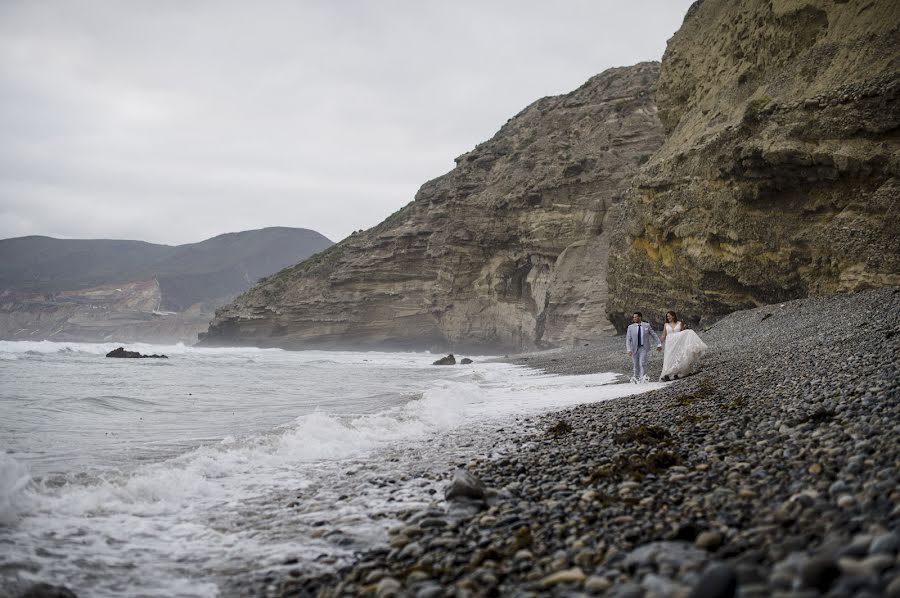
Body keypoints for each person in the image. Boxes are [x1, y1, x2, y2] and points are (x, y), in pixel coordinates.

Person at [659, 310, 708, 381]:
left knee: (679, 357)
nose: (668, 317)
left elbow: (683, 333)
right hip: (670, 344)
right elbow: (663, 335)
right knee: (670, 358)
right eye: (667, 316)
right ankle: (668, 374)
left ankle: (678, 373)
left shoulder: (679, 323)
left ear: (673, 316)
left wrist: (689, 333)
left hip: (679, 343)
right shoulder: (666, 325)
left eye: (669, 316)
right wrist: (659, 343)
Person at [626, 312, 661, 383]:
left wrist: (658, 344)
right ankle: (636, 377)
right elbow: (628, 339)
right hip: (634, 348)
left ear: (640, 317)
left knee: (642, 363)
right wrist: (629, 349)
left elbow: (653, 335)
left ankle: (643, 377)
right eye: (634, 317)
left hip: (644, 347)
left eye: (636, 317)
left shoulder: (646, 325)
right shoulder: (630, 327)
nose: (634, 318)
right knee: (635, 364)